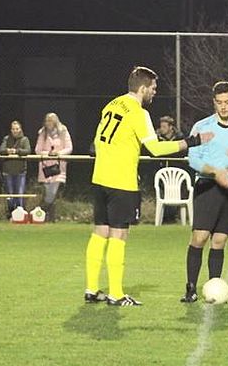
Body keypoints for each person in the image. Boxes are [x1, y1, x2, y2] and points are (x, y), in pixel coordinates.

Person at [84, 66, 213, 306]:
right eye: (153, 88)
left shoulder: (112, 105)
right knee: (119, 234)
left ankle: (91, 289)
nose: (154, 92)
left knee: (100, 231)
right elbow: (156, 149)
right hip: (121, 181)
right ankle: (116, 294)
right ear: (143, 88)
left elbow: (97, 142)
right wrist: (192, 142)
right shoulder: (138, 112)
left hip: (100, 177)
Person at [180, 81, 228, 302]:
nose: (223, 106)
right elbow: (193, 159)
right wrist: (215, 172)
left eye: (227, 102)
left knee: (220, 240)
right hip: (207, 186)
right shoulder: (202, 126)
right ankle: (191, 288)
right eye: (219, 102)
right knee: (200, 237)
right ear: (214, 102)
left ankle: (214, 289)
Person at [34, 113, 73, 222]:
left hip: (58, 167)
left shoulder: (63, 131)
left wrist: (58, 153)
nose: (48, 123)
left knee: (52, 193)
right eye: (47, 121)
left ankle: (40, 211)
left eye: (50, 120)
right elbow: (37, 150)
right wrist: (48, 153)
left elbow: (69, 148)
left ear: (55, 121)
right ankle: (48, 217)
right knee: (48, 193)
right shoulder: (42, 133)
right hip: (46, 167)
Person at [156, 115, 187, 223]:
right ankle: (164, 218)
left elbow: (182, 152)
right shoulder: (157, 138)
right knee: (162, 192)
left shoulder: (180, 138)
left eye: (164, 127)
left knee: (178, 193)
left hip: (177, 171)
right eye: (161, 126)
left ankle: (174, 217)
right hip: (161, 171)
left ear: (170, 127)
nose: (162, 129)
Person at [0, 120, 32, 215]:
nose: (15, 131)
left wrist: (16, 151)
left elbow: (28, 150)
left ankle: (20, 214)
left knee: (19, 194)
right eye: (13, 129)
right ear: (11, 130)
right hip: (7, 171)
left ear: (20, 129)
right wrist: (7, 151)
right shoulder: (6, 139)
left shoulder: (25, 139)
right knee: (10, 195)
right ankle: (11, 213)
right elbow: (1, 150)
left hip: (20, 171)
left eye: (17, 129)